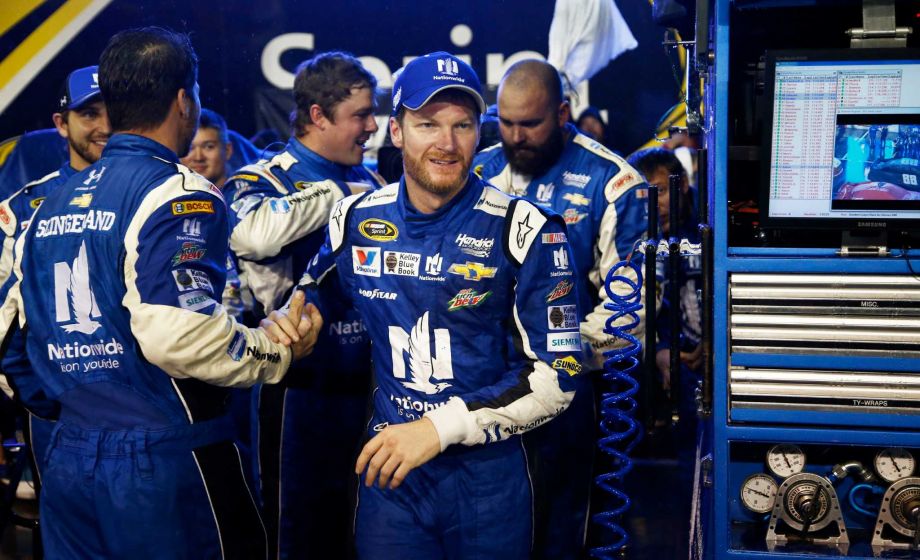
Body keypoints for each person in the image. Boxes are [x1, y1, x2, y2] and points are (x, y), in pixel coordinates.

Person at [2, 27, 320, 559]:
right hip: (165, 461)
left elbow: (12, 341)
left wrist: (77, 409)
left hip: (70, 460)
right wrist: (277, 350)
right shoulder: (178, 192)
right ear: (183, 100)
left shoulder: (45, 206)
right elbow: (179, 336)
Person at [277, 50, 584, 559]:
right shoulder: (353, 217)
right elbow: (313, 300)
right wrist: (295, 322)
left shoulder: (526, 228)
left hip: (490, 478)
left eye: (462, 125)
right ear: (395, 131)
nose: (446, 143)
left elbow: (562, 375)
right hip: (393, 475)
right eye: (426, 124)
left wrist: (438, 430)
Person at [473, 59, 648, 559]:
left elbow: (629, 309)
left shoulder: (613, 184)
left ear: (563, 113)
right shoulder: (478, 169)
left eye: (530, 123)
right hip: (478, 383)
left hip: (565, 389)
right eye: (506, 123)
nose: (516, 136)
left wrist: (560, 365)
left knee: (560, 531)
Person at [225, 51, 384, 559]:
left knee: (362, 533)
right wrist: (339, 195)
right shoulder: (260, 180)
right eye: (360, 114)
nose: (373, 126)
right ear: (319, 116)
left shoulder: (376, 183)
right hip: (294, 392)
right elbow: (250, 234)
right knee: (294, 535)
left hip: (372, 387)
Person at [0, 64, 110, 486]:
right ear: (61, 125)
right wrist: (42, 400)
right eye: (90, 114)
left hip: (143, 409)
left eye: (114, 112)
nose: (104, 126)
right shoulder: (24, 208)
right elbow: (5, 325)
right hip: (60, 411)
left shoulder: (154, 194)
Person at [181, 108, 234, 188]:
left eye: (209, 147)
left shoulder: (248, 195)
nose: (198, 158)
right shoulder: (167, 196)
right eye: (190, 147)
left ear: (227, 151)